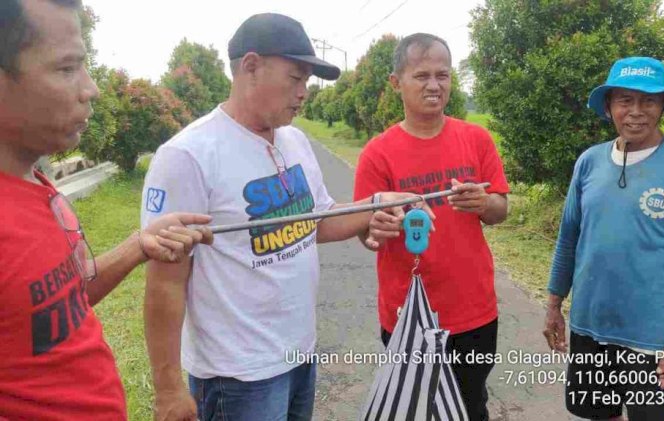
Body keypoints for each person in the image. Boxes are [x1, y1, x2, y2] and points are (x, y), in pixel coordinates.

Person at [142, 13, 421, 421]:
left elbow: (318, 220)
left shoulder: (294, 141)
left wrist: (374, 205)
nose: (304, 93)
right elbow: (164, 283)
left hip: (298, 354)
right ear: (251, 66)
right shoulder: (188, 156)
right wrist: (168, 388)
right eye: (296, 78)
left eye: (307, 81)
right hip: (237, 376)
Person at [0, 1, 214, 419]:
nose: (91, 88)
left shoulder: (36, 182)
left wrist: (140, 244)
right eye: (66, 69)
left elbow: (61, 302)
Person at [543, 56, 664, 420]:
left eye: (649, 101)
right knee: (596, 414)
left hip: (654, 341)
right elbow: (569, 238)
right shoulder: (589, 162)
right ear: (608, 106)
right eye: (625, 100)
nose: (636, 111)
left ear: (663, 107)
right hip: (590, 328)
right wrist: (552, 304)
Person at [353, 33, 510, 421]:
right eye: (421, 76)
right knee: (414, 408)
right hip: (409, 314)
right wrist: (380, 225)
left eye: (443, 75)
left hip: (473, 309)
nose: (434, 85)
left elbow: (500, 209)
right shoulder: (378, 152)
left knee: (471, 404)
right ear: (396, 83)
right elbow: (363, 231)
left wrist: (483, 203)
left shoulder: (476, 139)